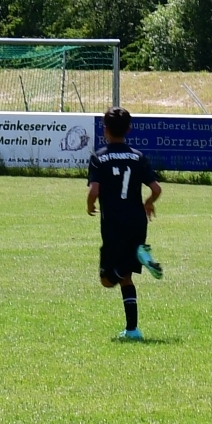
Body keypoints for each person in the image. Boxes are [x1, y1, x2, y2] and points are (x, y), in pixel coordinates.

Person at [87, 107, 163, 341]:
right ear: (129, 129)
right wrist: (148, 203)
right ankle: (133, 330)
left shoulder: (98, 157)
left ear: (105, 130)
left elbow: (95, 190)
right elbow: (156, 189)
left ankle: (135, 257)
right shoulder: (138, 156)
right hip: (137, 221)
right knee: (126, 278)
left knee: (107, 280)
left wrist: (90, 205)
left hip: (113, 223)